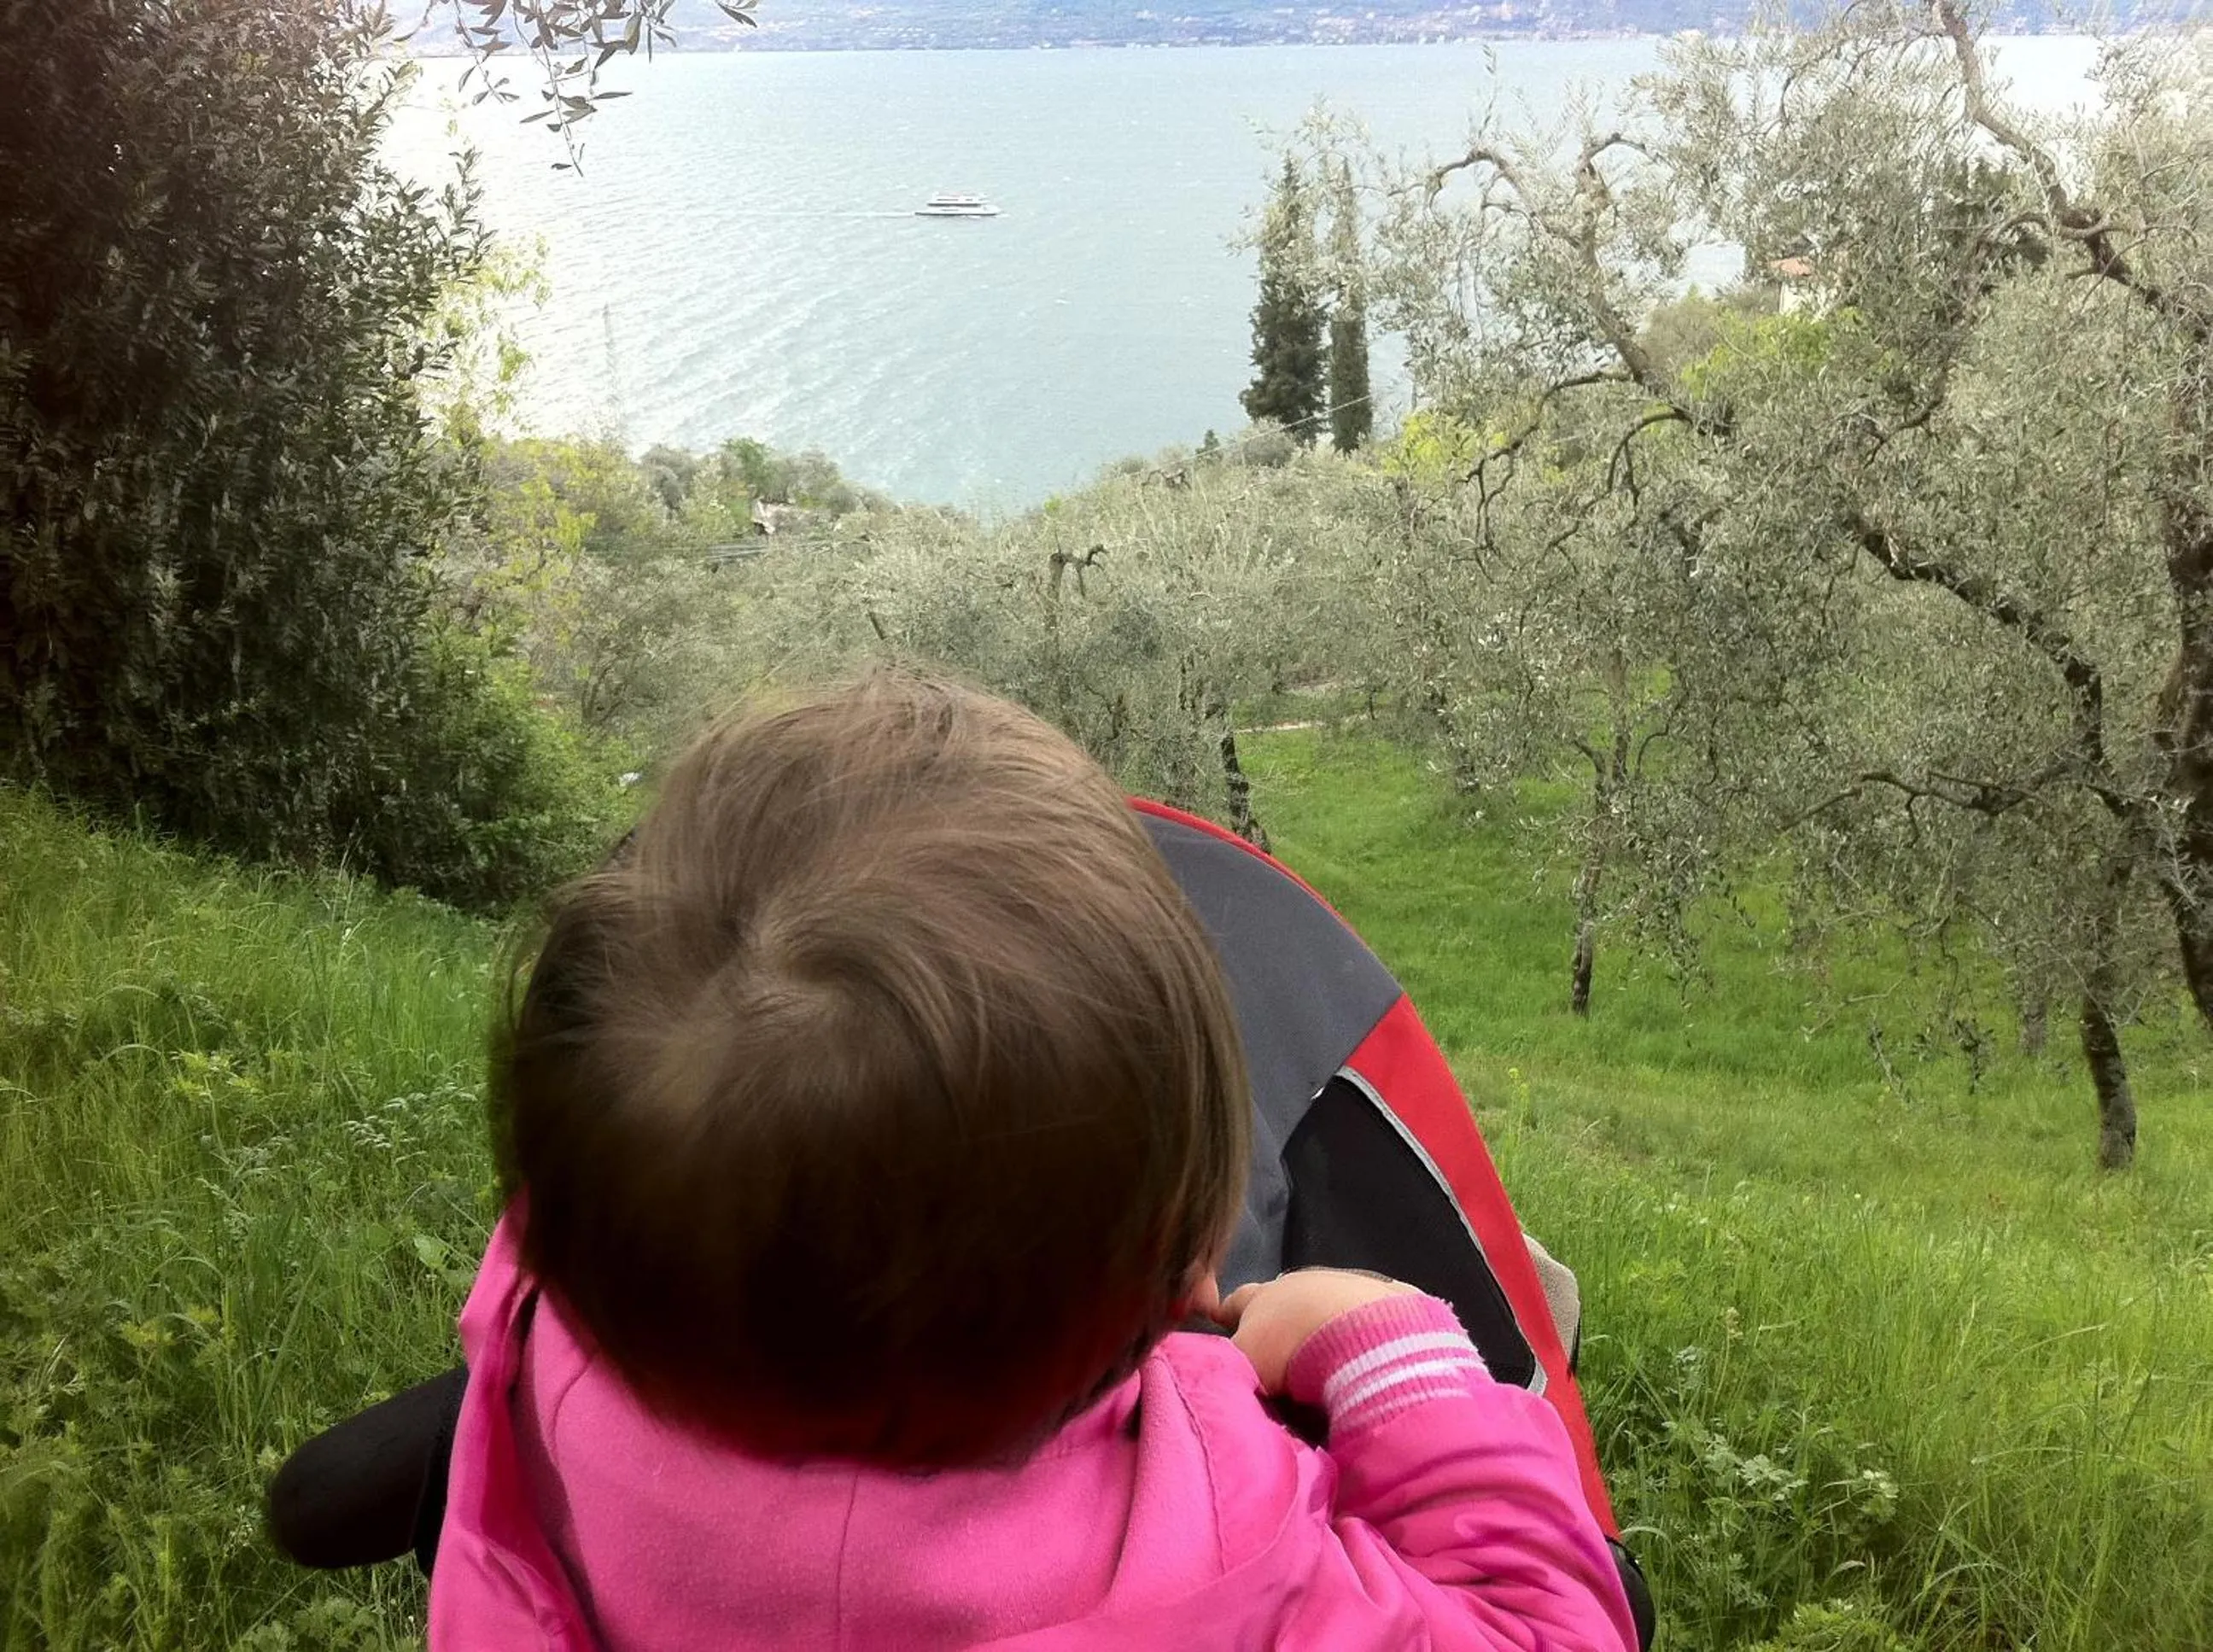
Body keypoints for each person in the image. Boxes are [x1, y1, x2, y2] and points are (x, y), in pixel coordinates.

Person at [427, 670, 1639, 1650]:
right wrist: (1390, 1352)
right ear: (1184, 1292)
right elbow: (1557, 1627)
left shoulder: (566, 1330)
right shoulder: (1226, 1543)